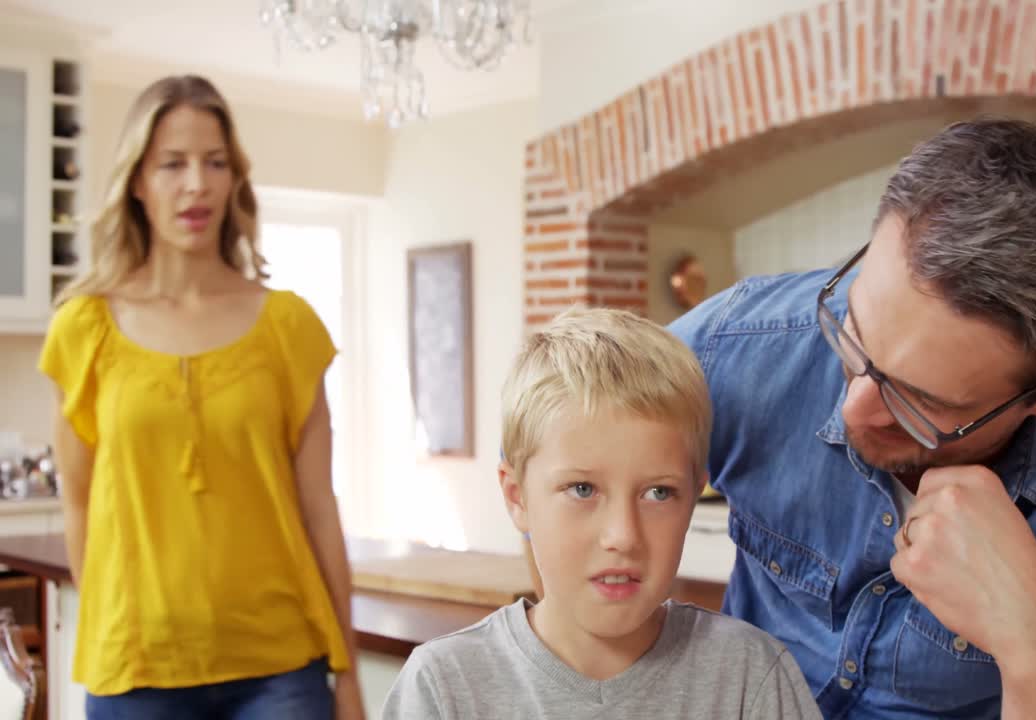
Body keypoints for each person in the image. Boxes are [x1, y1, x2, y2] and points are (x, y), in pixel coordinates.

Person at [668, 118, 1036, 719]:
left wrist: (1035, 636)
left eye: (921, 401)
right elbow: (558, 475)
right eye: (852, 334)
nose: (853, 409)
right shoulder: (740, 343)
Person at [40, 75, 365, 719]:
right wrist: (123, 628)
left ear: (234, 178)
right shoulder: (84, 328)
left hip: (280, 670)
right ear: (137, 180)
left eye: (215, 163)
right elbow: (77, 507)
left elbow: (319, 509)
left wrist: (347, 673)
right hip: (135, 673)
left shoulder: (288, 326)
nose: (198, 184)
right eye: (173, 164)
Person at [382, 307, 822, 720]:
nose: (623, 536)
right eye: (582, 489)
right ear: (518, 497)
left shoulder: (751, 678)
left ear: (691, 500)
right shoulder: (443, 688)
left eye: (658, 492)